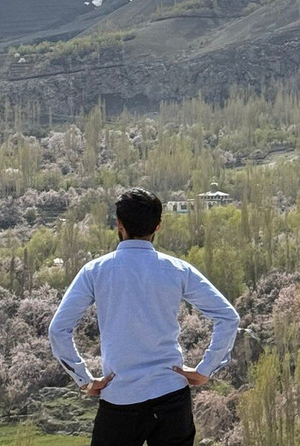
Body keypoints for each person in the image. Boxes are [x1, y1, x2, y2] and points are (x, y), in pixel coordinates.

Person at [48, 188, 240, 446]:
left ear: (119, 223)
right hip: (172, 398)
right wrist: (206, 369)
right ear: (158, 226)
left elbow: (58, 330)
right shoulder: (177, 269)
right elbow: (228, 317)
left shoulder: (95, 271)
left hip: (120, 399)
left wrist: (84, 380)